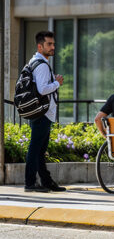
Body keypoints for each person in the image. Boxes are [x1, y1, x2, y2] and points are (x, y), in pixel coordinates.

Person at [24, 31, 65, 193]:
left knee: (40, 150)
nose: (53, 47)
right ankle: (30, 182)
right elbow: (42, 90)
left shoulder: (35, 61)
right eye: (49, 44)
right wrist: (57, 83)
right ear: (40, 46)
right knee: (36, 149)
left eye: (53, 44)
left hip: (40, 112)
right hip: (43, 113)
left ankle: (47, 181)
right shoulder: (41, 65)